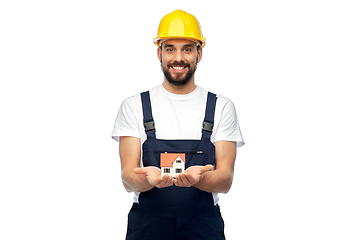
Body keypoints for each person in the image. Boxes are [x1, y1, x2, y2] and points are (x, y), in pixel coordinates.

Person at [112, 9, 244, 240]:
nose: (178, 58)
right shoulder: (134, 106)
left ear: (199, 54)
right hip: (148, 225)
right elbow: (126, 178)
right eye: (170, 49)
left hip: (203, 226)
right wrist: (148, 179)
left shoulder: (221, 106)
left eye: (187, 49)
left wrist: (200, 179)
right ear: (159, 53)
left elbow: (225, 180)